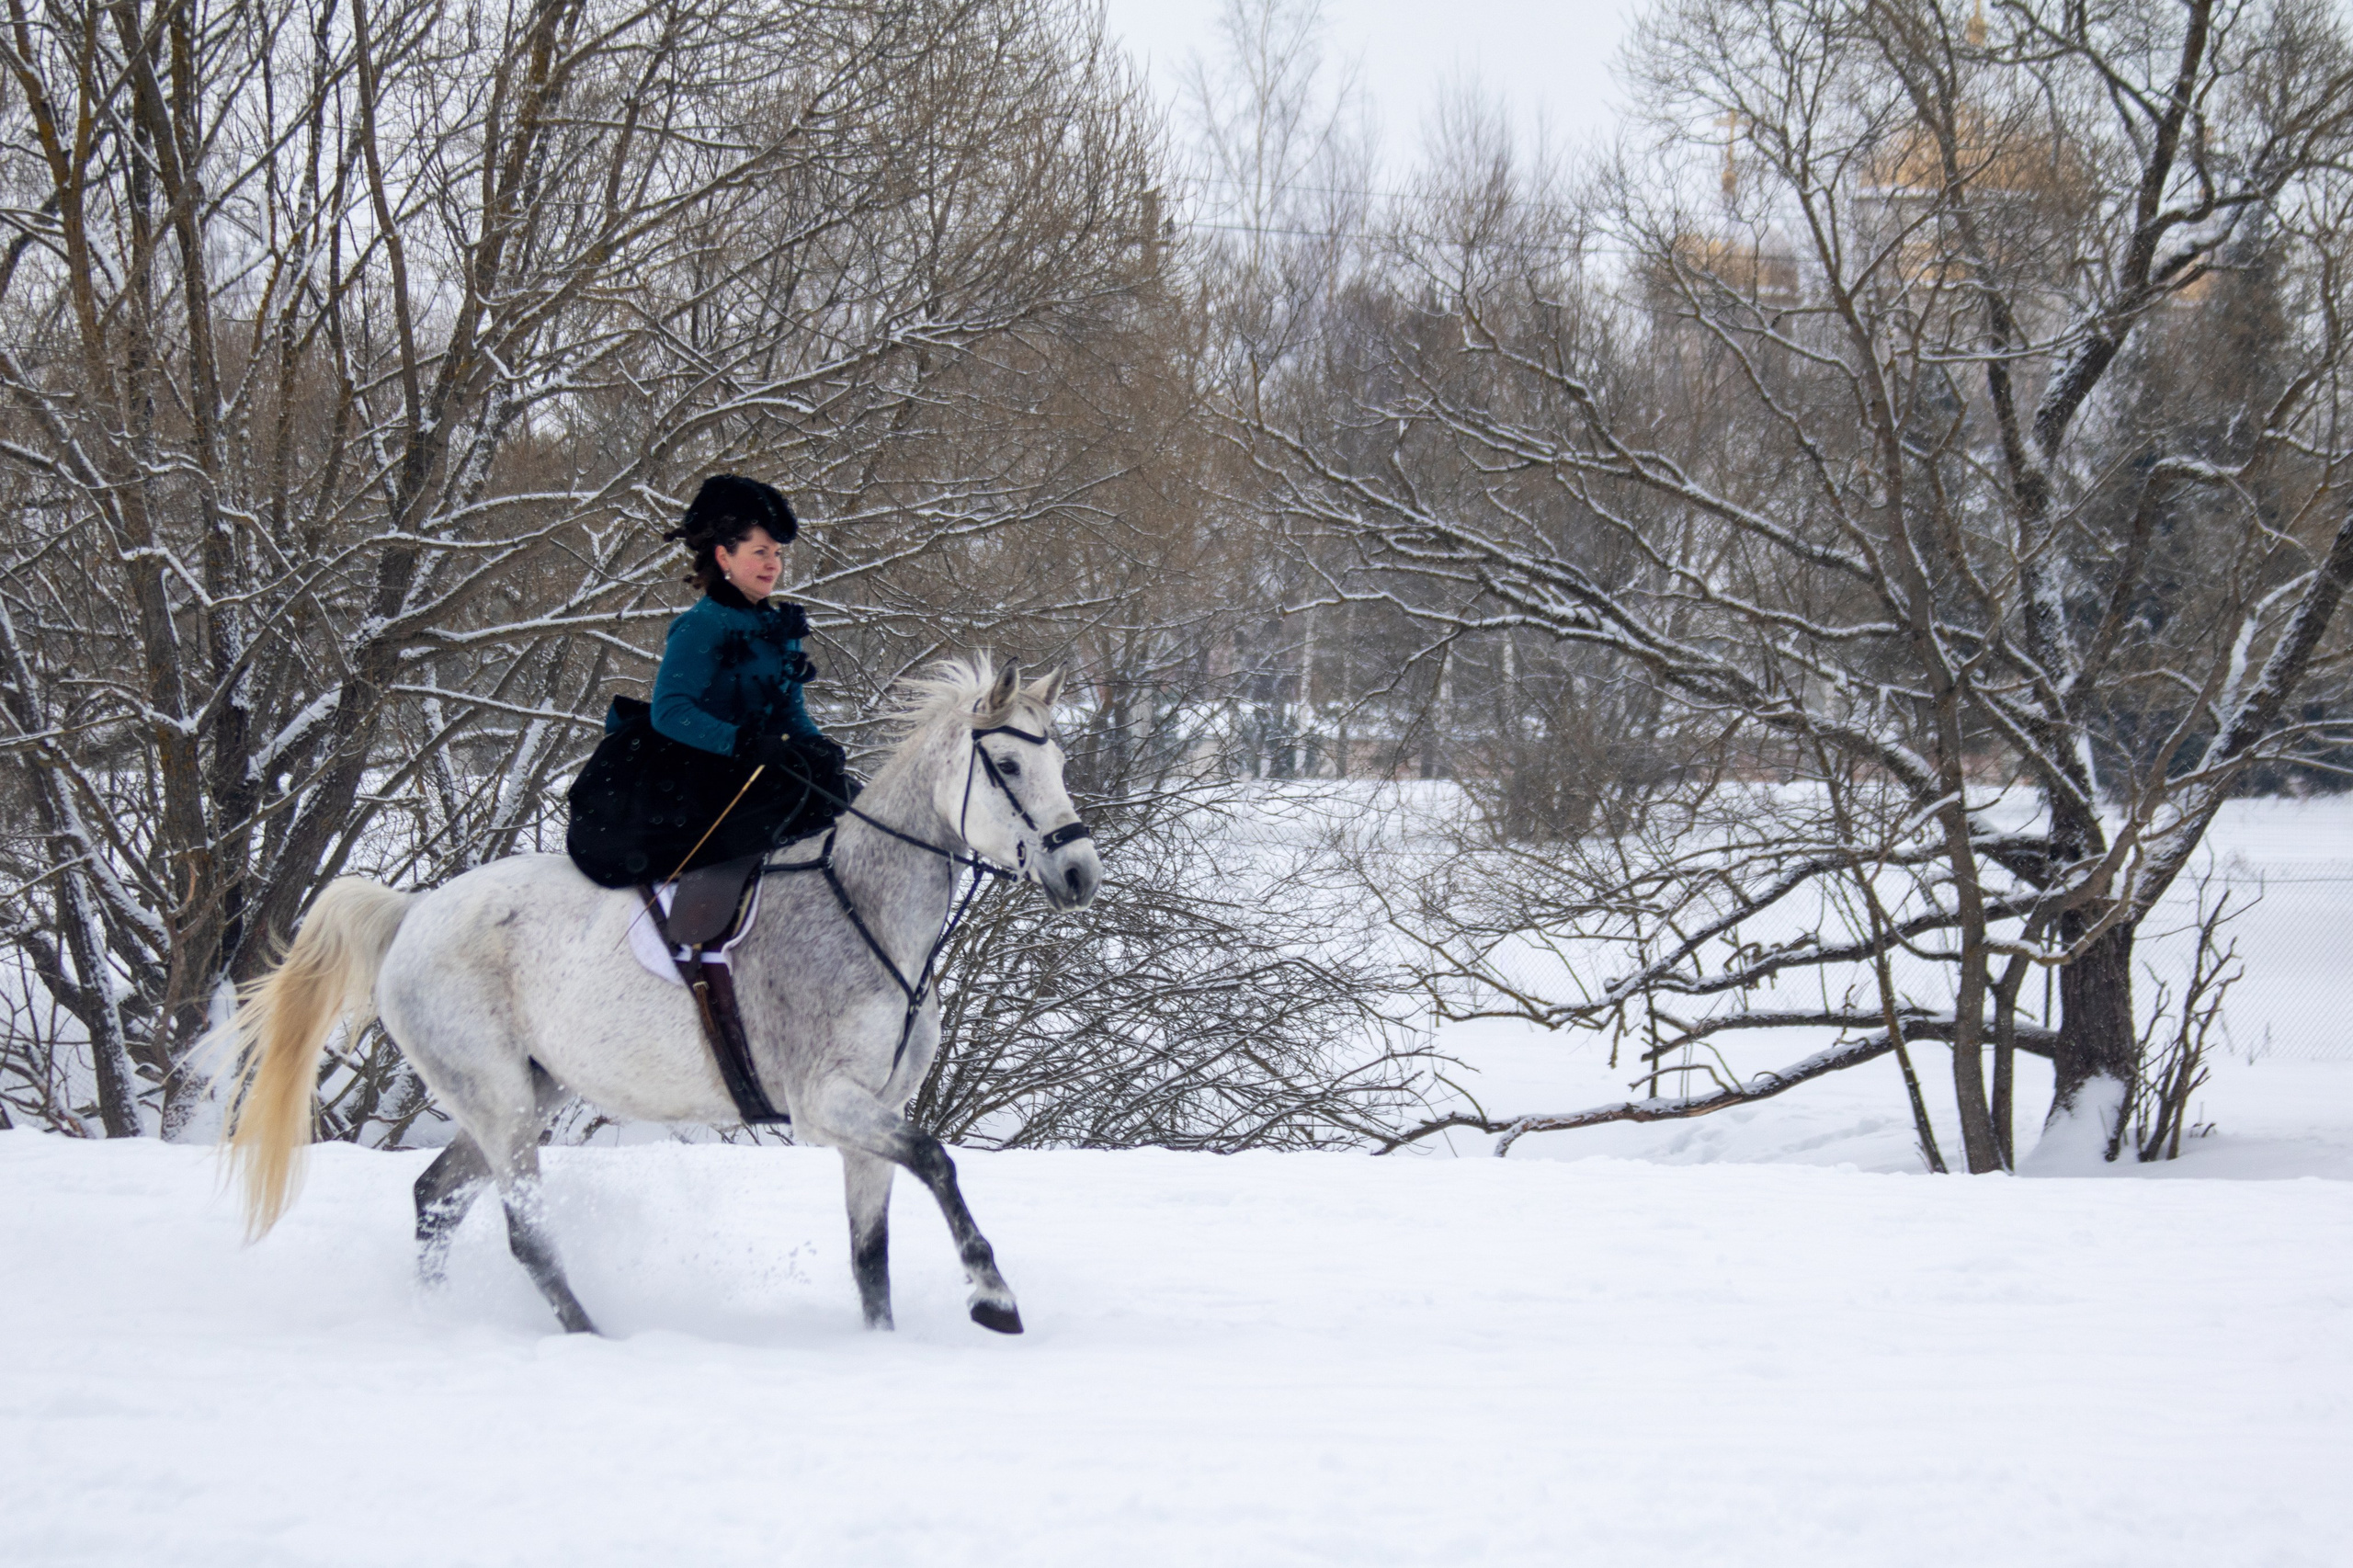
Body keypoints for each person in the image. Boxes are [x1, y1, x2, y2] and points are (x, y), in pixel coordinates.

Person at [566, 474, 850, 890]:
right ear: (724, 557)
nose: (773, 564)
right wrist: (741, 743)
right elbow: (671, 711)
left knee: (844, 808)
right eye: (759, 552)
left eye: (776, 553)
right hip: (693, 770)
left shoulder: (780, 626)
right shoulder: (702, 624)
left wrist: (816, 743)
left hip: (761, 762)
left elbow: (789, 709)